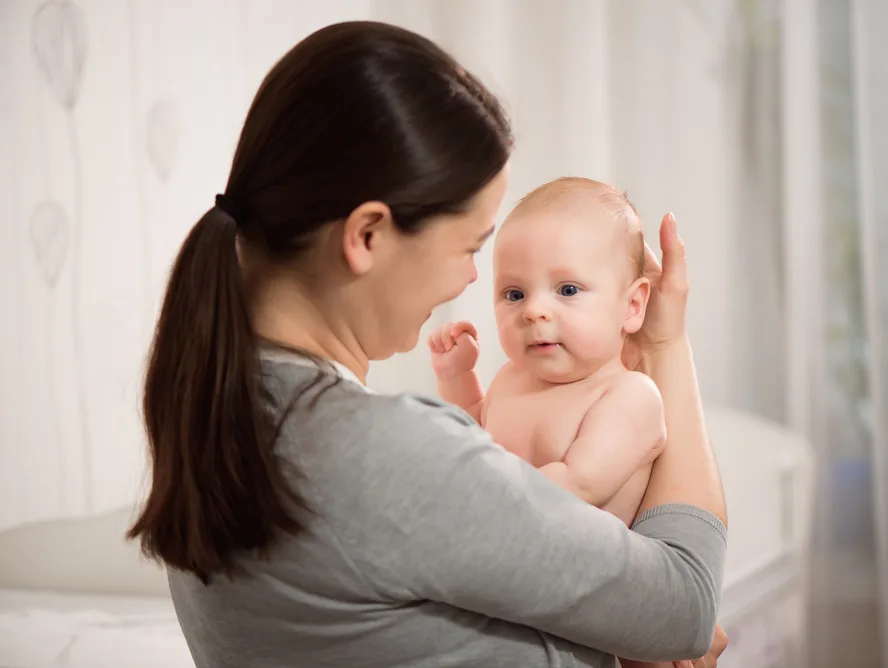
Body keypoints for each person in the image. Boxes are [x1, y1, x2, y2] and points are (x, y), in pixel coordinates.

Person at [126, 20, 729, 668]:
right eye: (470, 246)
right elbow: (687, 608)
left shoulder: (217, 403)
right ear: (367, 237)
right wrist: (663, 344)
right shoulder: (381, 454)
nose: (471, 277)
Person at [428, 177, 664, 528]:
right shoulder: (512, 377)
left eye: (567, 289)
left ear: (631, 306)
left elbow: (578, 485)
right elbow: (475, 438)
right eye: (514, 294)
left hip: (577, 577)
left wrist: (471, 497)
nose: (533, 310)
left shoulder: (629, 396)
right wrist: (457, 377)